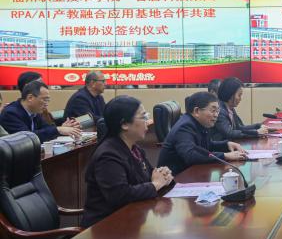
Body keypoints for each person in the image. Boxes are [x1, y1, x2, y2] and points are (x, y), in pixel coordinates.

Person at [81, 96, 173, 228]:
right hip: (105, 227)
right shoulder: (108, 155)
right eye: (143, 117)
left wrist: (163, 176)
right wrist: (156, 184)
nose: (147, 121)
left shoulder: (135, 149)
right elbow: (120, 195)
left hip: (130, 219)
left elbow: (150, 176)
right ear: (124, 124)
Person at [158, 91, 247, 175]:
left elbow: (206, 145)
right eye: (213, 110)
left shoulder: (200, 123)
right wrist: (225, 156)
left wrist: (227, 144)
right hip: (174, 179)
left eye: (217, 111)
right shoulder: (185, 127)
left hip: (190, 173)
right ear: (197, 111)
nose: (216, 115)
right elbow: (191, 155)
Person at [0, 81, 81, 142]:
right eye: (44, 99)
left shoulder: (35, 111)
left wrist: (62, 128)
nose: (46, 104)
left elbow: (46, 129)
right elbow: (27, 138)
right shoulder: (11, 113)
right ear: (30, 98)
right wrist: (58, 130)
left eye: (48, 100)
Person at [212, 77, 268, 142]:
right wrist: (256, 133)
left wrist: (258, 126)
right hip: (221, 147)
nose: (240, 99)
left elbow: (239, 128)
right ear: (230, 94)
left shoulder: (230, 108)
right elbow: (229, 133)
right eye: (239, 95)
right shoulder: (220, 110)